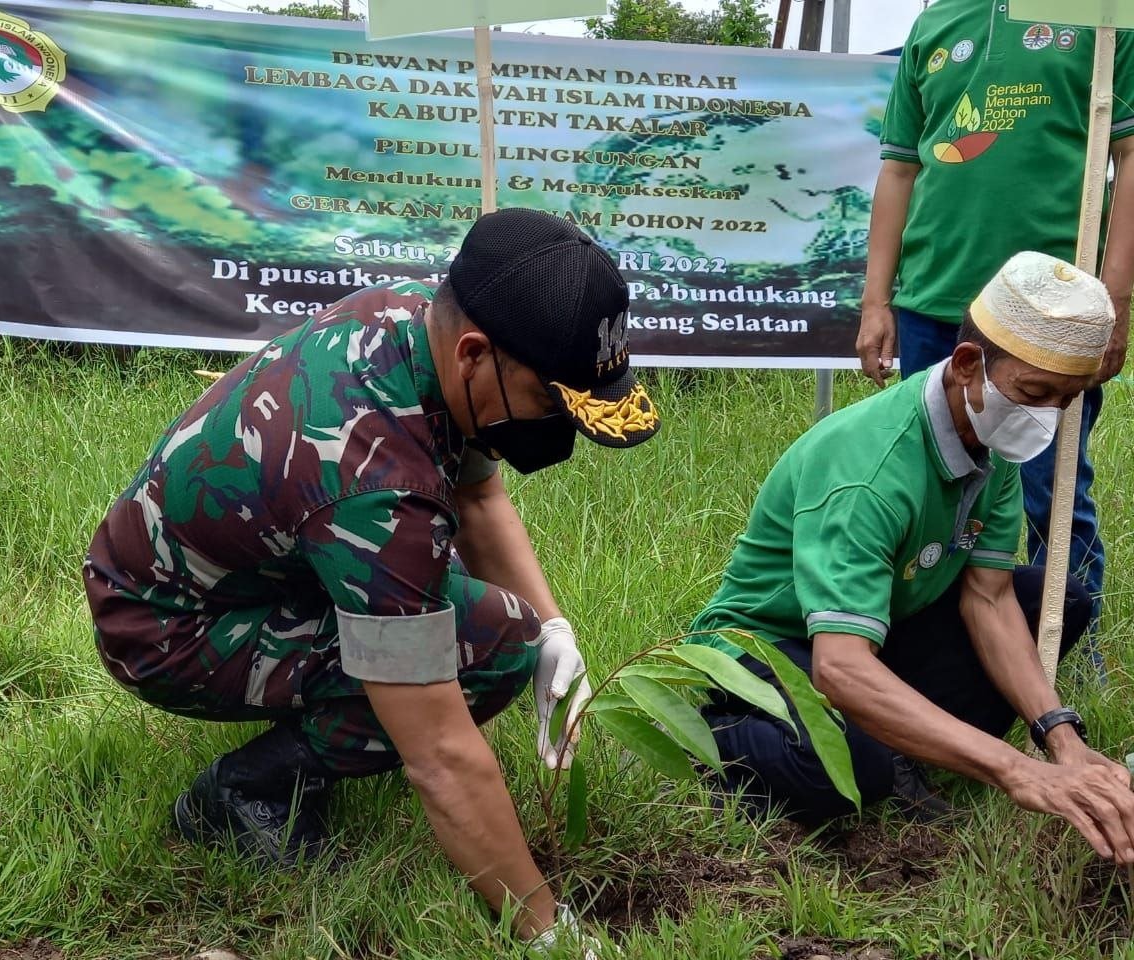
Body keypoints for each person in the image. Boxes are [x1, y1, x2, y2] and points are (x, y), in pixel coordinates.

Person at [83, 208, 659, 949]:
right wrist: (550, 932)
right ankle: (245, 792)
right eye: (551, 402)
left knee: (498, 618)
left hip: (250, 568)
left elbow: (479, 495)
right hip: (165, 629)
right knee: (488, 650)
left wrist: (556, 630)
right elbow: (442, 758)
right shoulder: (374, 484)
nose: (557, 428)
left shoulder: (416, 322)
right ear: (477, 355)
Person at [691, 252, 1134, 865]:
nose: (1048, 416)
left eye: (1067, 399)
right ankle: (701, 732)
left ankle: (899, 742)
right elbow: (840, 667)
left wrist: (1061, 738)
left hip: (882, 623)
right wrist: (1015, 771)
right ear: (967, 364)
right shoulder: (868, 473)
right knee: (850, 775)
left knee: (1056, 600)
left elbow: (989, 597)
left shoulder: (993, 438)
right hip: (768, 644)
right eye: (1037, 392)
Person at [856, 0, 1134, 655]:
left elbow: (1129, 159)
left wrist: (1114, 299)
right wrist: (877, 301)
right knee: (924, 484)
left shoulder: (1098, 16)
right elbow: (899, 169)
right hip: (930, 301)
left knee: (1049, 488)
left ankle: (1067, 646)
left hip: (1050, 313)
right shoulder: (933, 24)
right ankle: (931, 645)